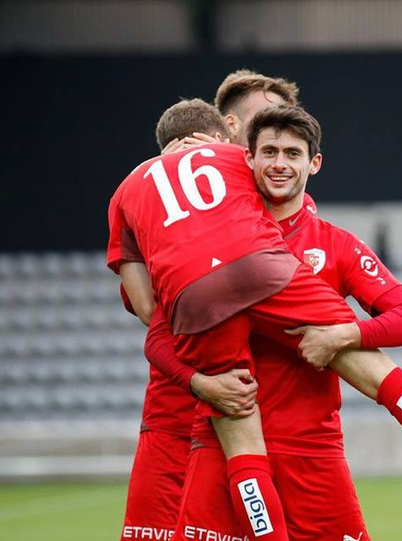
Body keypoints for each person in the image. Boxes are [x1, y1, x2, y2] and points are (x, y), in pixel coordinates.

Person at [113, 100, 402, 538]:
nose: (279, 163)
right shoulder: (228, 190)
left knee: (353, 376)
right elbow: (155, 335)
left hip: (310, 449)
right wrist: (199, 385)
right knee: (329, 394)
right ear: (242, 150)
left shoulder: (332, 243)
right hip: (209, 443)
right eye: (268, 151)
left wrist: (348, 332)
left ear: (315, 163)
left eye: (292, 153)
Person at [116, 71, 300, 541]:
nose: (276, 136)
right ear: (229, 127)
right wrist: (199, 380)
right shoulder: (156, 204)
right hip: (178, 414)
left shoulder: (289, 207)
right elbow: (152, 317)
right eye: (264, 121)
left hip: (257, 415)